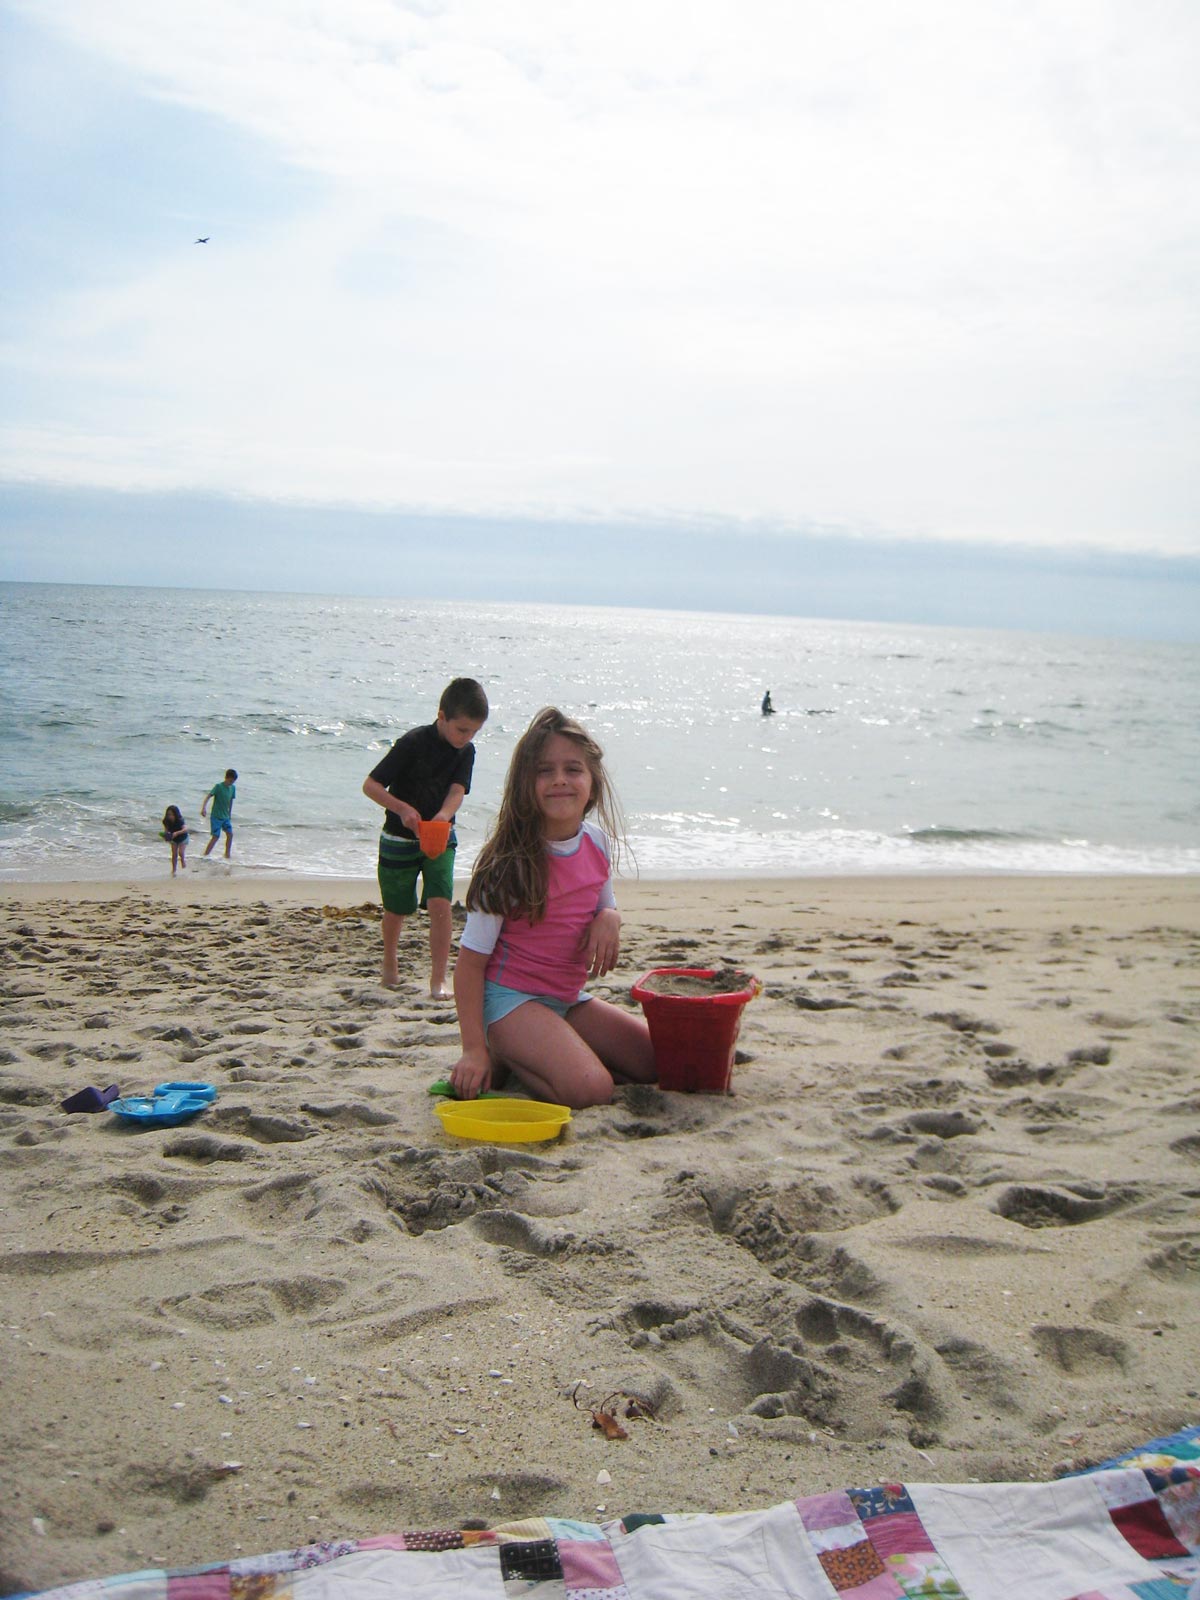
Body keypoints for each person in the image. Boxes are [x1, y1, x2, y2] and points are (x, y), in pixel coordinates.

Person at [449, 706, 657, 1110]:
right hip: (509, 1003)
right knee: (592, 1089)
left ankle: (545, 1048)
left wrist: (610, 919)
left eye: (573, 769)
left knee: (654, 1062)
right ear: (524, 784)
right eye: (544, 771)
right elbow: (470, 965)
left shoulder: (596, 841)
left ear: (593, 781)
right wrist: (472, 1049)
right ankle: (503, 1053)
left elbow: (604, 904)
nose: (559, 779)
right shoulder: (506, 864)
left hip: (567, 999)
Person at [363, 678, 489, 997]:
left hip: (441, 837)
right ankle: (390, 967)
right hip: (398, 838)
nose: (467, 738)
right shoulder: (413, 742)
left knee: (440, 904)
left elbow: (457, 790)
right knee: (396, 908)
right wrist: (402, 808)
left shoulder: (466, 751)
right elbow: (371, 786)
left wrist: (445, 815)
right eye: (462, 730)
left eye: (474, 731)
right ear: (442, 716)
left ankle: (438, 980)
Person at [201, 768, 237, 858]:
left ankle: (227, 854)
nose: (231, 783)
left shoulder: (233, 788)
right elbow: (208, 796)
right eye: (230, 780)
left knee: (230, 834)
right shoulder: (218, 786)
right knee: (215, 836)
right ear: (226, 778)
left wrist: (229, 813)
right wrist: (204, 808)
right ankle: (206, 854)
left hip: (225, 816)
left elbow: (231, 801)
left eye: (233, 781)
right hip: (216, 816)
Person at [161, 805, 188, 875]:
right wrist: (166, 836)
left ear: (176, 814)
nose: (170, 816)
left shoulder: (180, 820)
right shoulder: (166, 821)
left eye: (172, 815)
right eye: (168, 815)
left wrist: (177, 833)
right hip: (174, 839)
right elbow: (166, 831)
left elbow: (185, 829)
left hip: (183, 838)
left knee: (181, 853)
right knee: (174, 854)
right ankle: (174, 870)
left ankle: (182, 860)